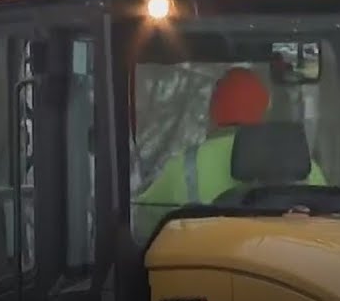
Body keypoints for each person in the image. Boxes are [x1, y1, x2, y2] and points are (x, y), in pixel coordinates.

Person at [132, 66, 327, 238]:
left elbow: (142, 227)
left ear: (213, 114)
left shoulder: (185, 166)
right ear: (265, 114)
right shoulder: (304, 166)